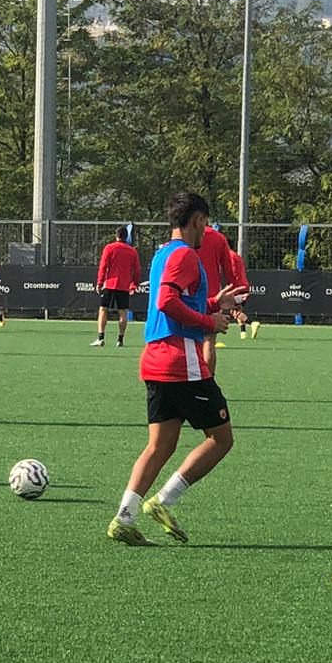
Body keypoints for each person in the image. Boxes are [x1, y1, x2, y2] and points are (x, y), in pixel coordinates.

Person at [108, 191, 247, 547]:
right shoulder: (185, 255)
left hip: (155, 359)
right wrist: (209, 321)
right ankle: (163, 500)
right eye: (206, 224)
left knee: (160, 446)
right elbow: (167, 302)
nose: (207, 231)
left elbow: (176, 299)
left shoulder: (162, 254)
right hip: (180, 360)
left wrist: (214, 303)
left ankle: (124, 517)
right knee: (221, 439)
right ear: (198, 220)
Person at [196, 221, 237, 373]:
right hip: (213, 296)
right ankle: (208, 378)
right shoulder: (218, 238)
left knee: (188, 341)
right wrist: (234, 294)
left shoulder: (186, 236)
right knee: (209, 341)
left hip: (189, 297)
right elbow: (229, 270)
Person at [92, 226, 141, 348]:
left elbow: (103, 266)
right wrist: (134, 284)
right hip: (124, 285)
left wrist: (99, 282)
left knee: (103, 309)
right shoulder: (132, 251)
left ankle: (101, 338)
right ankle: (120, 340)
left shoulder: (109, 248)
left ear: (116, 236)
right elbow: (137, 270)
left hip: (110, 284)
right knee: (123, 312)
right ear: (126, 236)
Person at [229, 246, 259, 340]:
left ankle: (252, 323)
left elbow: (233, 271)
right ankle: (243, 334)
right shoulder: (237, 256)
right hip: (244, 285)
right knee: (239, 310)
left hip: (237, 287)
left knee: (233, 311)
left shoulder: (230, 256)